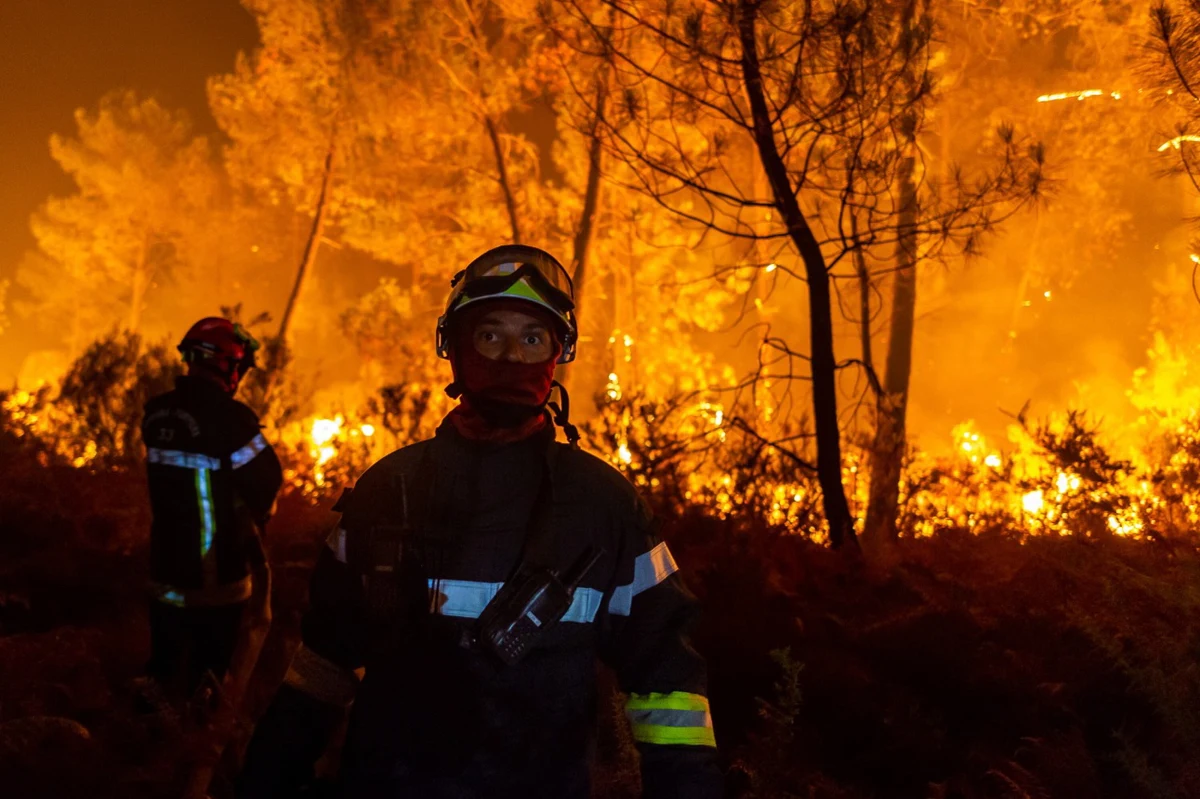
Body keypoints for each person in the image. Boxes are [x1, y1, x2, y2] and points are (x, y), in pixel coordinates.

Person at [236, 245, 722, 798]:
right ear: (456, 350)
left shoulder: (604, 507)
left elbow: (667, 686)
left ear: (558, 353)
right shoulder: (387, 489)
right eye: (490, 335)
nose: (511, 357)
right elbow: (323, 664)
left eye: (532, 338)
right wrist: (266, 779)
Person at [142, 317, 283, 700]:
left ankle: (143, 744)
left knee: (162, 674)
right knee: (207, 684)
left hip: (164, 572)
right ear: (228, 365)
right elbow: (266, 479)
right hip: (218, 579)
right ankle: (198, 750)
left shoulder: (156, 414)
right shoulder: (232, 420)